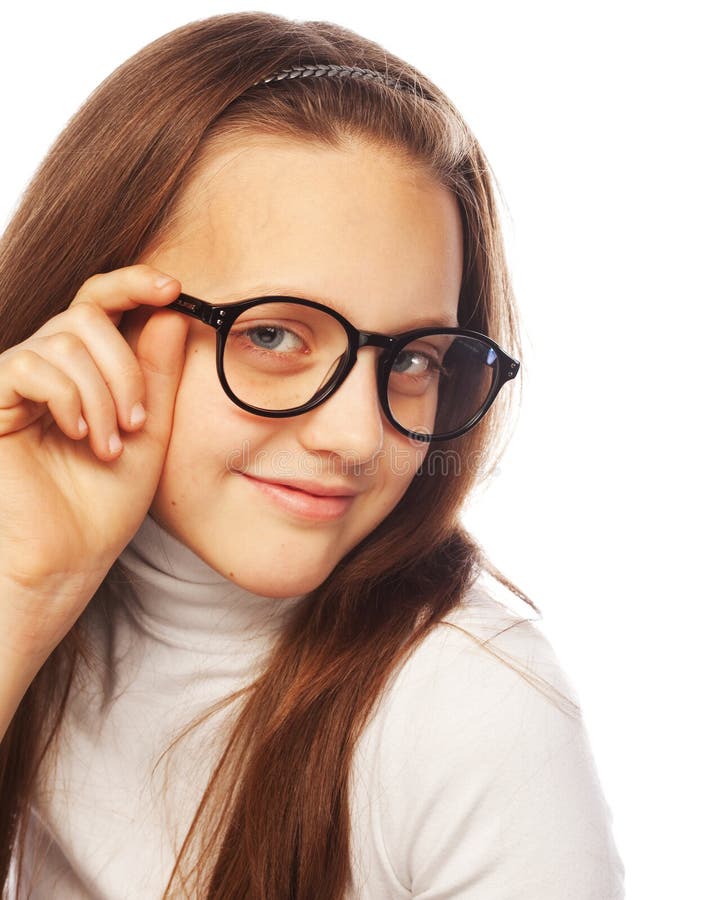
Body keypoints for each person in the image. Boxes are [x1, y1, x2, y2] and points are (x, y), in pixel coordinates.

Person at [0, 12, 625, 900]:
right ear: (98, 315)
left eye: (410, 359)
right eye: (273, 335)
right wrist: (19, 593)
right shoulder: (19, 579)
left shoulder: (472, 703)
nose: (357, 437)